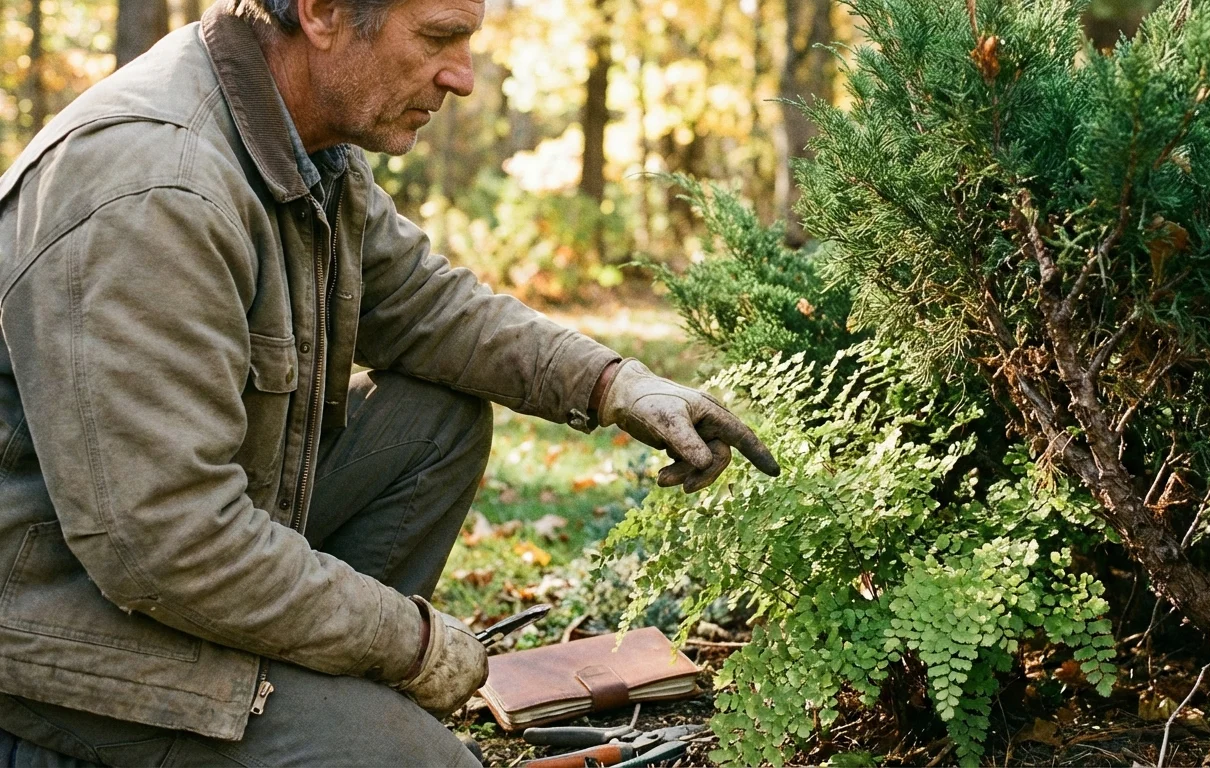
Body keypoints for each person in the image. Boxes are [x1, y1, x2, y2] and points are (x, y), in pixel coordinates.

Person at [0, 0, 779, 763]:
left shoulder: (305, 141)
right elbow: (164, 542)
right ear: (323, 13)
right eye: (439, 37)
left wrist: (614, 383)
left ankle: (307, 701)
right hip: (48, 629)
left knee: (433, 416)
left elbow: (424, 305)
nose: (464, 78)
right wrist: (406, 640)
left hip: (168, 567)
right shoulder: (157, 191)